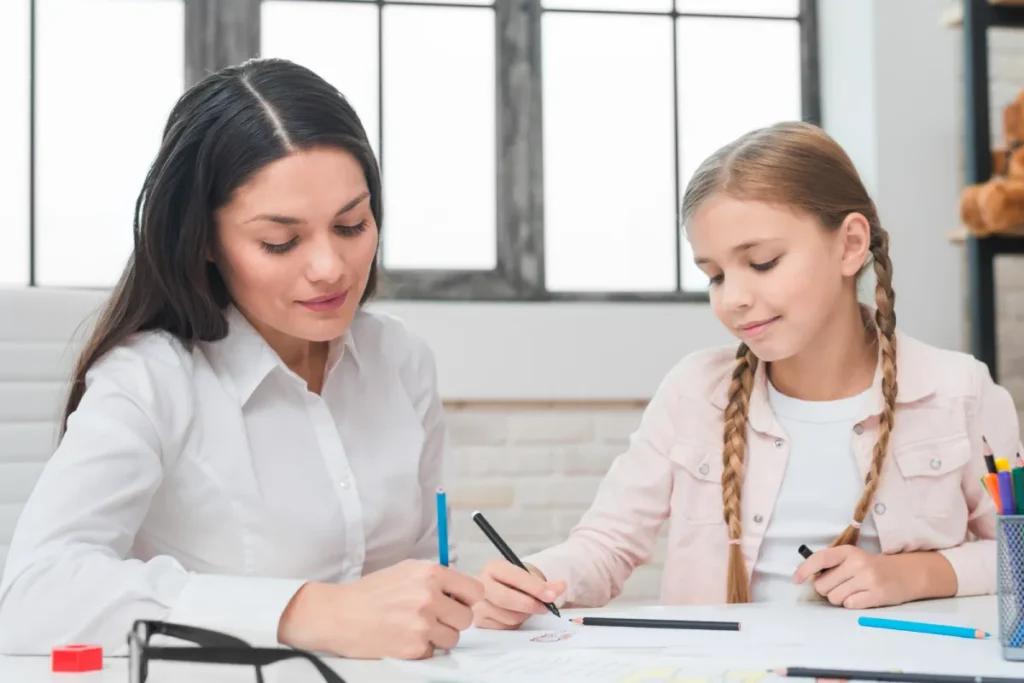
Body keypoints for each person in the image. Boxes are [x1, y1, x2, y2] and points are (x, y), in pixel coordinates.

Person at [0, 57, 482, 660]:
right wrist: (305, 611)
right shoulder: (151, 378)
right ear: (203, 239)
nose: (330, 267)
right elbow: (32, 596)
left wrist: (466, 602)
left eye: (352, 225)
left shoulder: (401, 359)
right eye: (281, 240)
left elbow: (417, 574)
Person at [471, 121, 1021, 630]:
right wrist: (537, 579)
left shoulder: (960, 392)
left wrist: (913, 575)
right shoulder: (693, 393)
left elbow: (1018, 554)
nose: (734, 298)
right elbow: (607, 544)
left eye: (761, 263)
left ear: (850, 244)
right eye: (713, 275)